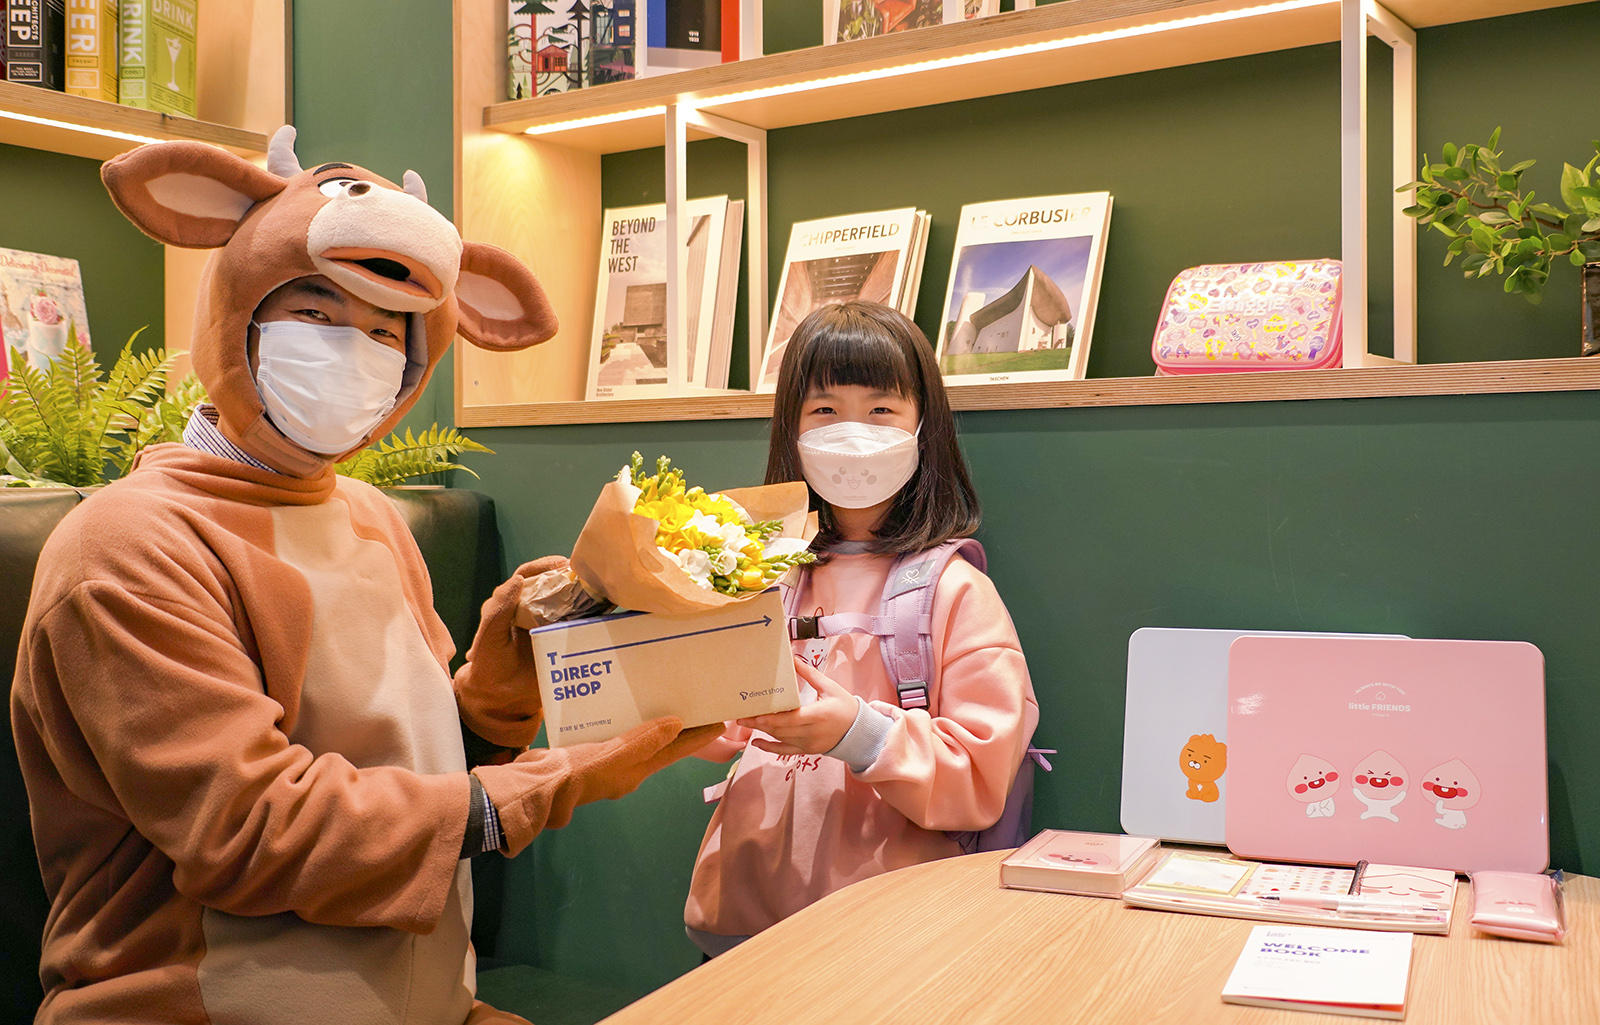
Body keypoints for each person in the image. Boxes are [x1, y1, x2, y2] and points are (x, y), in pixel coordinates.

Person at [11, 129, 717, 1025]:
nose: (354, 349)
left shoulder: (372, 517)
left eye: (386, 331)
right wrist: (539, 788)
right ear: (236, 310)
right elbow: (251, 830)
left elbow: (404, 772)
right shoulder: (124, 547)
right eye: (315, 313)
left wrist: (495, 697)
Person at [684, 300, 1040, 955]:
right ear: (790, 427)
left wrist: (856, 732)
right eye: (824, 409)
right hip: (743, 921)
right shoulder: (764, 573)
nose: (852, 432)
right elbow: (716, 726)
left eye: (881, 409)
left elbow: (981, 779)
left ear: (923, 427)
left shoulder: (955, 591)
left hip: (893, 941)